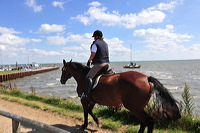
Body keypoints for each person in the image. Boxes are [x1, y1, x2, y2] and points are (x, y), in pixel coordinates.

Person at [81, 30, 110, 99]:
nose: (93, 38)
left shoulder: (95, 44)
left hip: (100, 64)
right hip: (107, 64)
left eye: (94, 37)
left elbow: (93, 54)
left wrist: (89, 61)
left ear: (96, 36)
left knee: (88, 77)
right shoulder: (105, 43)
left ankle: (87, 95)